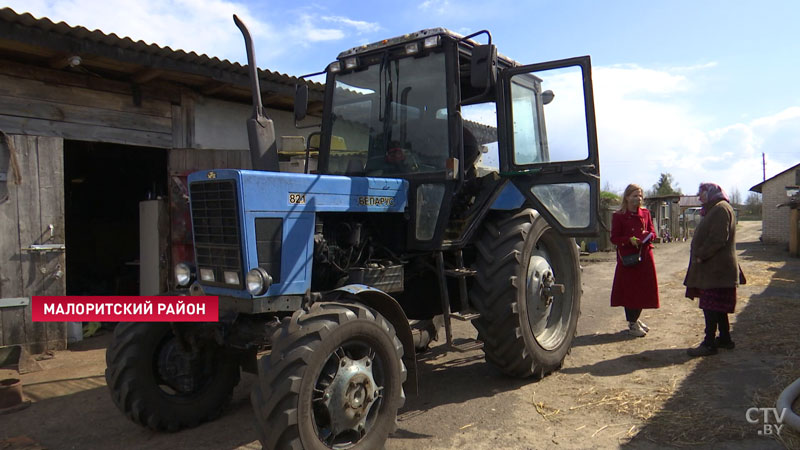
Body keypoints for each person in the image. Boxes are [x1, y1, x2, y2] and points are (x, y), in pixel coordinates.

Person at [684, 183, 739, 356]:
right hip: (716, 269)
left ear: (711, 193)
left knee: (711, 306)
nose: (699, 197)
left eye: (702, 194)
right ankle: (724, 339)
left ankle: (709, 343)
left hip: (716, 269)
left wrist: (701, 254)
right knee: (719, 306)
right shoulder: (716, 208)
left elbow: (718, 238)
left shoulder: (720, 209)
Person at [610, 184, 660, 337]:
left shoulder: (645, 213)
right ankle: (632, 323)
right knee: (631, 291)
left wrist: (648, 235)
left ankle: (635, 319)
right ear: (627, 197)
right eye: (634, 195)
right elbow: (614, 238)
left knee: (644, 289)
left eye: (640, 195)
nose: (638, 198)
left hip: (644, 256)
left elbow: (653, 231)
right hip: (628, 259)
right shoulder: (618, 216)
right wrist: (628, 240)